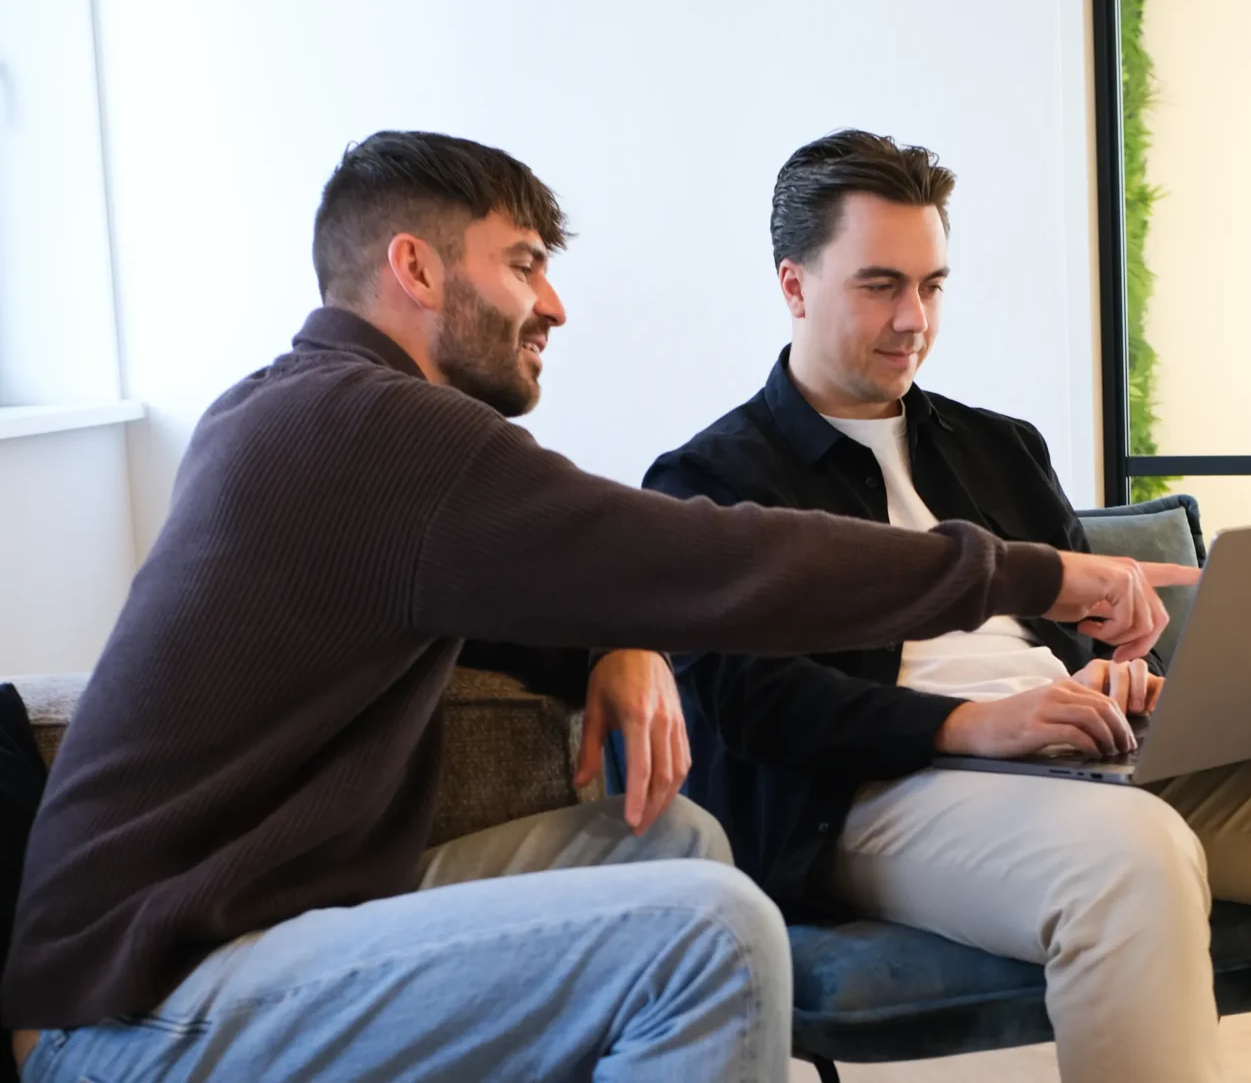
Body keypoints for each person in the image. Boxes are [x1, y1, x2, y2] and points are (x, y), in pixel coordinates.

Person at [2, 131, 1189, 1083]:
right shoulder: (378, 428)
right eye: (521, 263)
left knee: (665, 839)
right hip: (140, 1011)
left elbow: (568, 585)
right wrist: (1034, 572)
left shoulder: (296, 412)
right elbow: (711, 560)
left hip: (251, 930)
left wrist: (619, 637)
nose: (554, 304)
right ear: (414, 268)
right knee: (707, 934)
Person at [644, 129, 1251, 1083]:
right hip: (876, 795)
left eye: (933, 285)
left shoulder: (998, 447)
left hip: (1089, 768)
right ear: (794, 285)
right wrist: (973, 724)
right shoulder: (709, 481)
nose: (913, 319)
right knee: (1130, 856)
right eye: (880, 284)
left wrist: (1114, 675)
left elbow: (1065, 634)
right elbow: (755, 705)